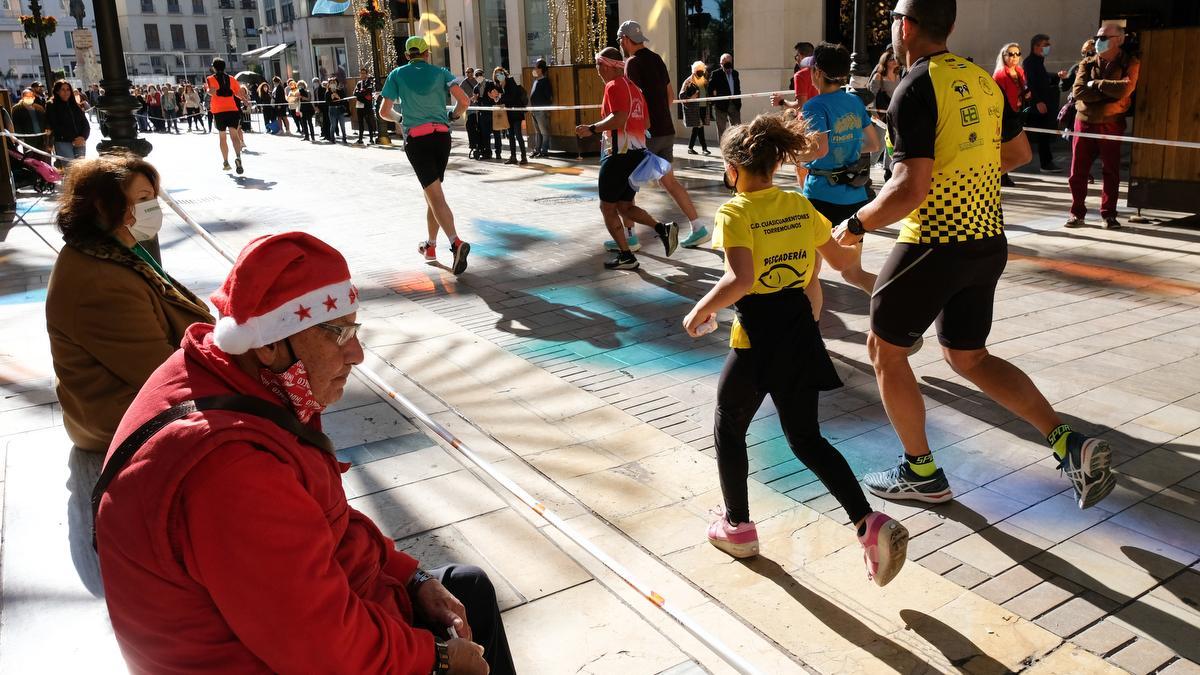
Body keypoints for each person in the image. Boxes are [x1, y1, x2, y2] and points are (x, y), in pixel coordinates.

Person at [94, 231, 515, 675]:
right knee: (468, 639)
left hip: (292, 628)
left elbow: (323, 516)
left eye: (355, 329)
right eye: (338, 333)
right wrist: (439, 660)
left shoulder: (238, 379)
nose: (357, 353)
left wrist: (410, 575)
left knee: (467, 589)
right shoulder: (232, 468)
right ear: (270, 342)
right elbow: (323, 649)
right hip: (259, 658)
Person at [832, 0, 1116, 511]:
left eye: (895, 19)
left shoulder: (915, 86)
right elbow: (1020, 154)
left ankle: (921, 473)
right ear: (952, 25)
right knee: (969, 356)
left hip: (935, 241)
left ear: (907, 25)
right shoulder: (983, 81)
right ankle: (1069, 443)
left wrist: (855, 225)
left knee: (885, 349)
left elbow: (908, 186)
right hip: (987, 241)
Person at [682, 112, 909, 588]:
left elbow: (739, 280)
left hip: (756, 340)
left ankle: (738, 527)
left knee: (729, 425)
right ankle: (870, 523)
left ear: (735, 168)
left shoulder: (735, 212)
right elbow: (841, 261)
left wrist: (699, 309)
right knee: (807, 439)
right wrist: (843, 246)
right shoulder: (800, 205)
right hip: (801, 336)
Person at [46, 153, 214, 456]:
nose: (153, 208)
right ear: (102, 206)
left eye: (153, 198)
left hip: (130, 402)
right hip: (119, 418)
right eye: (143, 198)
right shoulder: (100, 283)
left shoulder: (114, 250)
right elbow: (161, 373)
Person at [575, 46, 680, 271]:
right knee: (624, 206)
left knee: (607, 207)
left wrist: (592, 128)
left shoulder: (613, 86)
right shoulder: (635, 88)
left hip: (618, 154)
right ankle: (663, 228)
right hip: (636, 154)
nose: (597, 70)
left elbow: (619, 118)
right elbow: (647, 124)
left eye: (598, 65)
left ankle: (626, 255)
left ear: (608, 65)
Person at [797, 43, 882, 321]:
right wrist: (846, 149)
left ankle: (810, 335)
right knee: (852, 272)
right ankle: (898, 306)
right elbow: (872, 142)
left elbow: (818, 150)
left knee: (809, 274)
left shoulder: (814, 106)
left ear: (817, 72)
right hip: (854, 198)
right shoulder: (854, 102)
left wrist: (791, 153)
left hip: (821, 197)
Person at [380, 36, 472, 275]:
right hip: (442, 137)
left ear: (407, 55)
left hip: (418, 139)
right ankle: (430, 247)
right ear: (426, 54)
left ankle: (456, 243)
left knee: (435, 195)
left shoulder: (397, 74)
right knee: (433, 192)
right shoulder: (441, 72)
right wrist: (452, 116)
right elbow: (464, 100)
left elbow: (384, 111)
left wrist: (402, 119)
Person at [618, 20, 710, 248]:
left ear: (626, 40)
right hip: (666, 130)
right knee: (670, 182)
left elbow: (633, 102)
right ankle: (698, 227)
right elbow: (670, 96)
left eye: (621, 40)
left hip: (646, 135)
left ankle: (629, 238)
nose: (621, 44)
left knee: (626, 186)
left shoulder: (631, 64)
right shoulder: (656, 59)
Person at [1067, 22, 1139, 230]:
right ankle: (1076, 213)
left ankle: (1108, 215)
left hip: (1111, 123)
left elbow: (1125, 90)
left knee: (1111, 171)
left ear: (1119, 40)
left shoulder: (1130, 63)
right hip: (1085, 121)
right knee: (1077, 171)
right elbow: (1079, 91)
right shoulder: (1087, 63)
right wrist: (1107, 93)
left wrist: (1096, 84)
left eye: (1104, 38)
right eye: (1098, 37)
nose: (1099, 41)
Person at [772, 42, 820, 185]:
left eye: (797, 56)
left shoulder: (801, 75)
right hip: (824, 121)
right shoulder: (822, 72)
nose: (796, 60)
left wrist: (782, 102)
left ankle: (806, 196)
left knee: (800, 164)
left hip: (806, 124)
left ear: (802, 56)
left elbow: (801, 104)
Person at [1024, 34, 1064, 172]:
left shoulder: (1039, 61)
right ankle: (1045, 163)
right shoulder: (1030, 62)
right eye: (1045, 45)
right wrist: (1038, 102)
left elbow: (1042, 79)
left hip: (1044, 104)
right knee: (1042, 135)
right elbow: (1030, 83)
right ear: (1036, 47)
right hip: (1038, 105)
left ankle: (1047, 162)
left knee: (1044, 135)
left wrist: (1056, 77)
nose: (1048, 47)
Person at [993, 42, 1029, 187]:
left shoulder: (1019, 71)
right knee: (1003, 146)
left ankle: (1003, 175)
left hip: (1018, 110)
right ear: (1004, 56)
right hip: (1005, 114)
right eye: (1011, 54)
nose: (1014, 57)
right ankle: (1001, 176)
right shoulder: (1000, 75)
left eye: (1017, 54)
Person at [206, 58, 246, 174]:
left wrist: (211, 91)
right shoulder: (232, 79)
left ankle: (226, 162)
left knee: (222, 137)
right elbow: (238, 94)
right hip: (232, 109)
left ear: (214, 67)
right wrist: (245, 100)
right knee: (234, 135)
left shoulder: (210, 79)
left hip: (219, 111)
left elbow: (210, 91)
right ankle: (238, 157)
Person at [45, 79, 90, 164]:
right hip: (63, 142)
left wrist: (83, 137)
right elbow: (55, 125)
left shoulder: (74, 104)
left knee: (81, 169)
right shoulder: (51, 105)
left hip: (80, 141)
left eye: (68, 89)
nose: (66, 92)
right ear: (57, 91)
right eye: (63, 89)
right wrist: (73, 139)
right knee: (70, 169)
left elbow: (85, 123)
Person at [496, 66, 528, 165]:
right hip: (509, 114)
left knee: (518, 135)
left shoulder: (510, 82)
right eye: (497, 75)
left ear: (504, 73)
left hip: (516, 113)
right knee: (511, 136)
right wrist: (497, 99)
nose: (499, 76)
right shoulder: (500, 86)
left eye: (500, 73)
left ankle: (524, 157)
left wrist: (501, 98)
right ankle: (513, 157)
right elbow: (504, 100)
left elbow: (512, 97)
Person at [707, 53, 741, 140]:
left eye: (729, 61)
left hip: (734, 104)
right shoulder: (716, 74)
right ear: (721, 63)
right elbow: (710, 89)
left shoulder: (735, 73)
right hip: (720, 105)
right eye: (724, 61)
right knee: (721, 129)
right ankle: (723, 148)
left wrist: (739, 102)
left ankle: (736, 146)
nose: (727, 63)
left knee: (737, 128)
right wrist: (714, 102)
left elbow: (737, 88)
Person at [680, 61, 711, 155]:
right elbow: (681, 95)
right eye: (699, 71)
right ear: (694, 71)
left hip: (703, 107)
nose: (701, 72)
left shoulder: (703, 80)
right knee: (698, 127)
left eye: (702, 70)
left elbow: (706, 92)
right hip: (694, 109)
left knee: (698, 128)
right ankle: (703, 149)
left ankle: (692, 148)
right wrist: (691, 98)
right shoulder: (688, 81)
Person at [528, 59, 553, 157]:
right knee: (537, 131)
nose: (534, 69)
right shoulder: (536, 81)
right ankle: (537, 149)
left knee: (544, 131)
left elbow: (549, 96)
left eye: (536, 67)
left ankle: (544, 150)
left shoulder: (545, 81)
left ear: (541, 69)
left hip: (541, 110)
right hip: (534, 110)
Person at [11, 88, 48, 153]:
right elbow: (16, 124)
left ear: (34, 97)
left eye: (31, 96)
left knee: (43, 157)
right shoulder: (17, 109)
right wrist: (20, 138)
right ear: (22, 97)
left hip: (41, 138)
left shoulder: (39, 108)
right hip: (28, 139)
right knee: (30, 159)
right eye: (27, 96)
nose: (29, 98)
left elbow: (45, 121)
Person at [354, 67, 378, 144]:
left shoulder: (369, 83)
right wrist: (361, 93)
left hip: (367, 106)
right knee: (360, 122)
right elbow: (354, 93)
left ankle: (371, 138)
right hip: (359, 106)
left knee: (369, 122)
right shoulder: (358, 83)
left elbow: (367, 92)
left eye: (364, 73)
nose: (362, 75)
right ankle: (360, 138)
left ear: (367, 74)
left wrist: (360, 94)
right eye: (361, 73)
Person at [326, 79, 349, 144]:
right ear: (329, 85)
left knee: (342, 125)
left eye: (334, 82)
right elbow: (327, 103)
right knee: (333, 125)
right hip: (332, 109)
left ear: (336, 84)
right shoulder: (328, 92)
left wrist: (338, 97)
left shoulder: (340, 91)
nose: (333, 84)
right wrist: (331, 98)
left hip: (340, 109)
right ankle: (332, 139)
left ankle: (344, 138)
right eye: (331, 83)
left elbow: (344, 100)